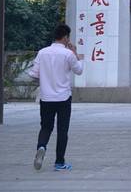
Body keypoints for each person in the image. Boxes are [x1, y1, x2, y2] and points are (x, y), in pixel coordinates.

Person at [28, 24, 84, 171]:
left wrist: (45, 78)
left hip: (46, 97)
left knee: (46, 127)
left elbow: (33, 74)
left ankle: (41, 147)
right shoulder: (68, 54)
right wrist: (76, 53)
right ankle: (59, 163)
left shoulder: (42, 52)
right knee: (62, 130)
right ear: (65, 37)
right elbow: (79, 70)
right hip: (63, 97)